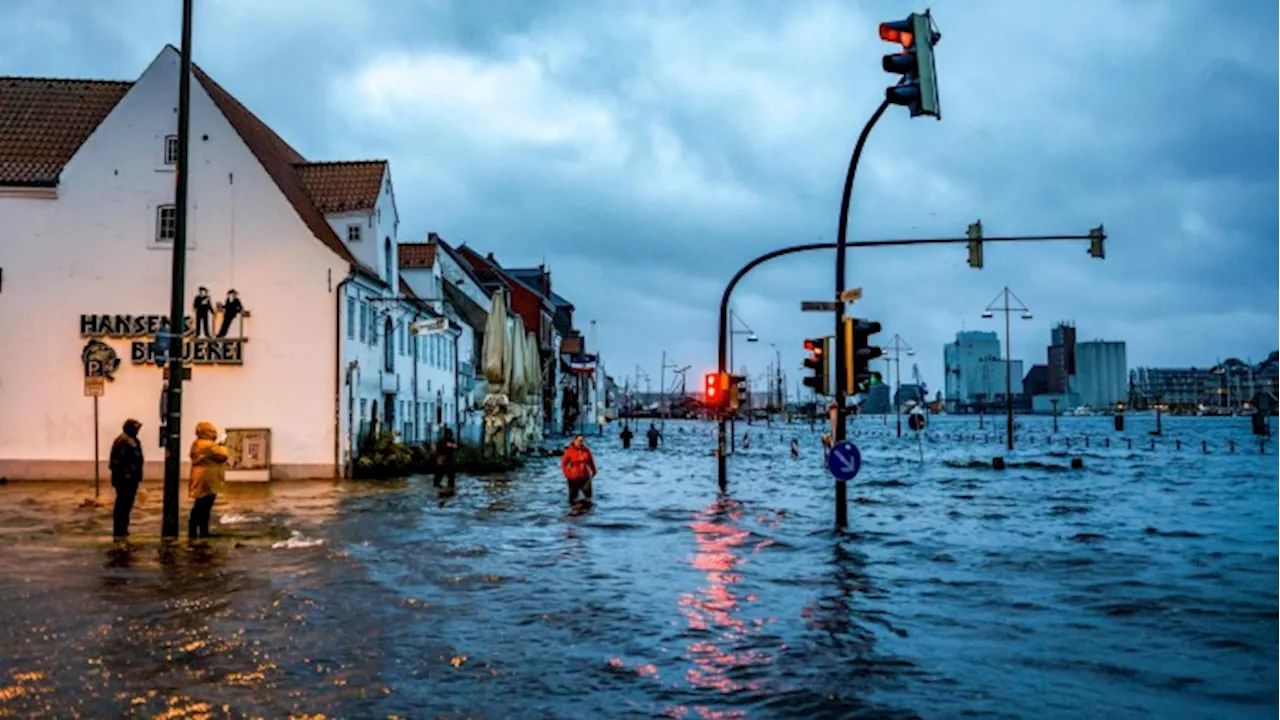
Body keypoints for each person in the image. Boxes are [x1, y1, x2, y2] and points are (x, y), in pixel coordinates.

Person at [188, 421, 229, 539]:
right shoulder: (208, 445)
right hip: (207, 480)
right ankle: (200, 531)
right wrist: (221, 445)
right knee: (204, 506)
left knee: (200, 506)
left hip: (201, 479)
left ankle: (197, 531)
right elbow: (224, 455)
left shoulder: (197, 443)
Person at [108, 419, 144, 539]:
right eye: (136, 428)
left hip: (131, 479)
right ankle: (119, 529)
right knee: (122, 505)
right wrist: (126, 475)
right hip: (124, 480)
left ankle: (123, 528)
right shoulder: (123, 441)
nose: (138, 430)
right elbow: (116, 463)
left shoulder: (133, 441)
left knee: (127, 505)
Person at [560, 435, 597, 504]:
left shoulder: (586, 451)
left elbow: (591, 462)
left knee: (588, 497)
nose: (581, 443)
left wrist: (594, 471)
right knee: (573, 498)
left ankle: (587, 513)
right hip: (573, 477)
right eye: (579, 441)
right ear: (575, 441)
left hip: (585, 477)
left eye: (582, 441)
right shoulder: (569, 451)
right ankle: (573, 511)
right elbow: (563, 464)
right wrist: (567, 474)